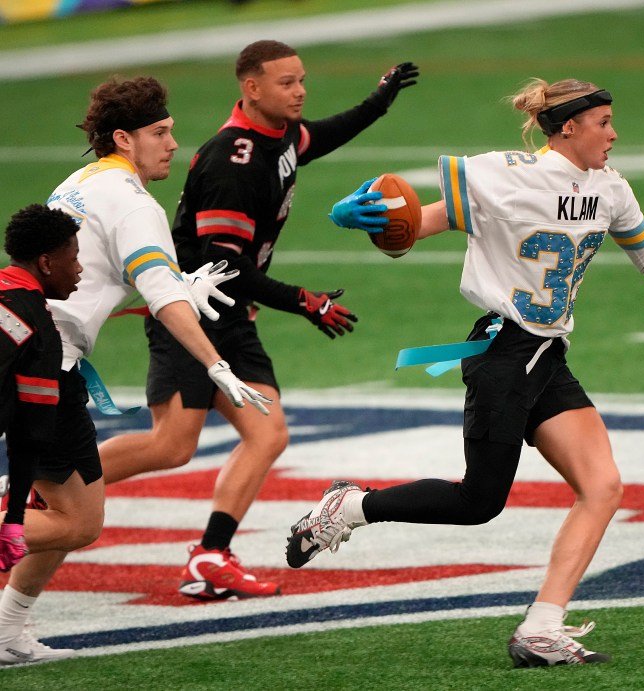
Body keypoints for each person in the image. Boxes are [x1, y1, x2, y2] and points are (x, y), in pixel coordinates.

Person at [288, 77, 644, 667]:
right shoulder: (501, 173)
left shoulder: (611, 189)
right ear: (570, 127)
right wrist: (366, 220)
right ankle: (349, 507)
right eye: (604, 121)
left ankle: (541, 629)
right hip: (504, 353)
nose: (614, 132)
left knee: (602, 488)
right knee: (479, 500)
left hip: (546, 356)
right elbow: (411, 230)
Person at [97, 40, 419, 601]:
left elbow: (321, 136)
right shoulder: (232, 161)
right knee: (172, 444)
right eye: (286, 83)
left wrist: (379, 101)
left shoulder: (282, 135)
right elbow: (226, 262)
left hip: (233, 315)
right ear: (252, 87)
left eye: (301, 80)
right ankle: (46, 484)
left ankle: (211, 557)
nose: (299, 91)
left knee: (266, 433)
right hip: (189, 312)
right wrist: (303, 300)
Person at [0, 75, 268, 666]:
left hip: (33, 351)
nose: (173, 142)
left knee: (70, 514)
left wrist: (171, 286)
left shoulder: (83, 181)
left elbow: (84, 279)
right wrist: (214, 361)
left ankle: (7, 630)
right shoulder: (134, 202)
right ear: (124, 137)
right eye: (159, 132)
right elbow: (155, 292)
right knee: (76, 522)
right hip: (42, 366)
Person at [0, 205, 82, 581]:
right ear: (47, 263)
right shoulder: (41, 329)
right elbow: (30, 436)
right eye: (75, 257)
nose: (79, 268)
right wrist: (14, 519)